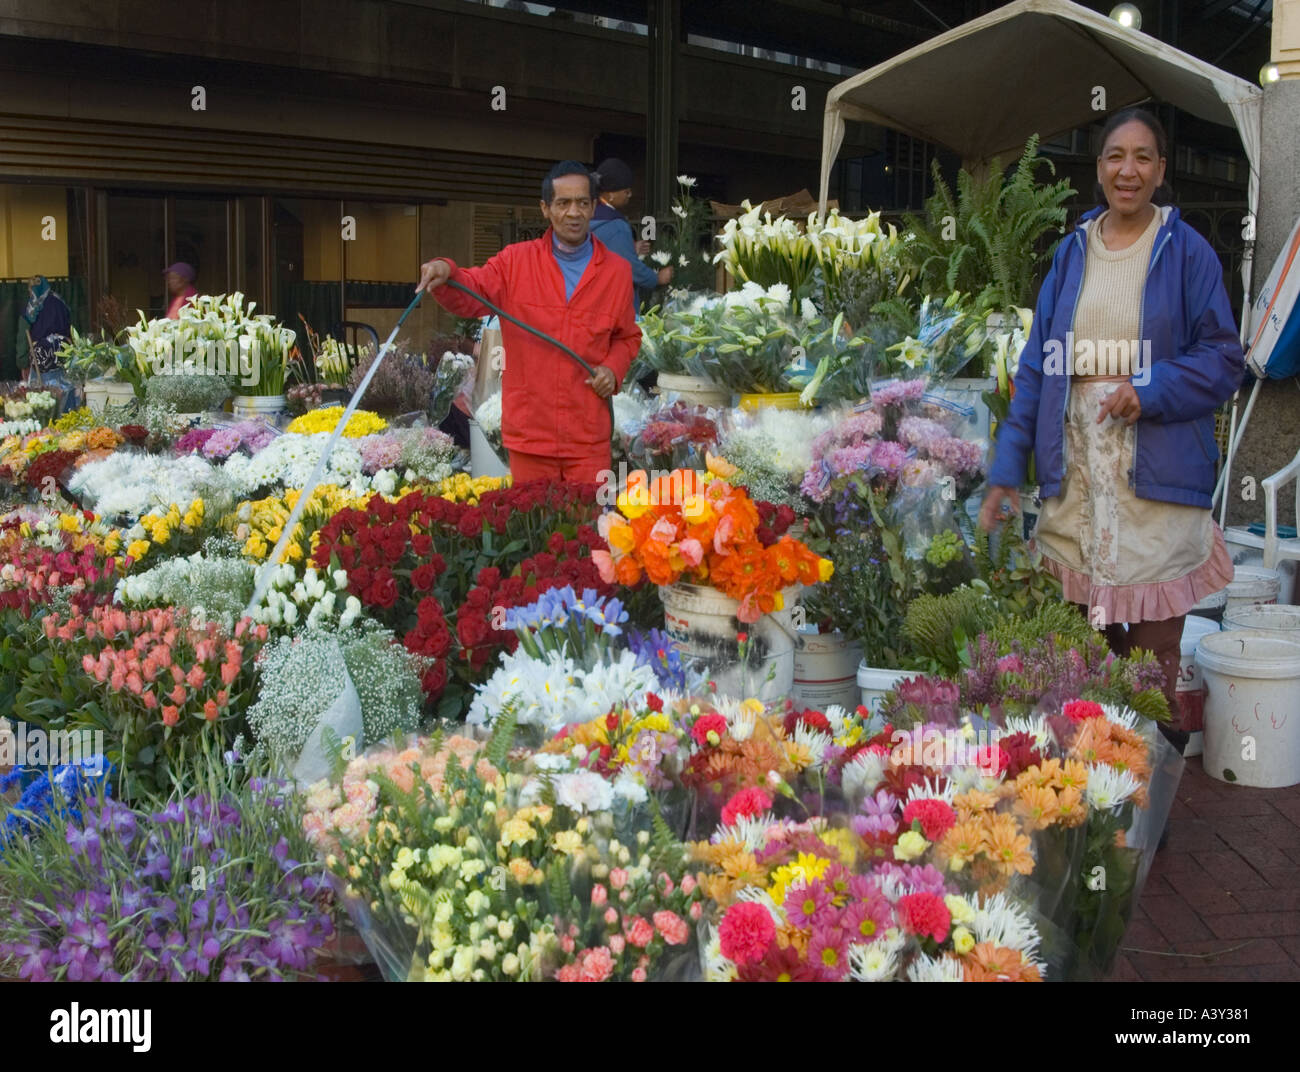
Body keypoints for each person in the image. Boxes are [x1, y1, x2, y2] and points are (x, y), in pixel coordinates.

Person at [979, 108, 1244, 750]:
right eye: (1115, 157)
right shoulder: (1071, 255)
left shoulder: (1187, 252)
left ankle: (1147, 789)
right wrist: (1008, 471)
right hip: (1078, 481)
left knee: (1151, 656)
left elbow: (1223, 358)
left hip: (1154, 477)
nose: (1128, 170)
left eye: (1143, 157)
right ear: (1099, 169)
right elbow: (1036, 372)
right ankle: (1096, 790)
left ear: (1159, 171)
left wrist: (1149, 391)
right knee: (1083, 645)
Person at [416, 160, 641, 485]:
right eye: (563, 203)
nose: (573, 212)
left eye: (582, 203)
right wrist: (445, 269)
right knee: (534, 531)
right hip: (531, 436)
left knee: (589, 530)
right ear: (545, 209)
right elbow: (470, 292)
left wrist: (612, 369)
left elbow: (627, 337)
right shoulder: (515, 261)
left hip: (588, 436)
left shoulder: (617, 271)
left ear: (593, 207)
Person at [590, 158, 671, 315]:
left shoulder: (589, 216)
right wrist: (657, 278)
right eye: (626, 191)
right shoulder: (616, 225)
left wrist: (630, 248)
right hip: (614, 307)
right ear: (611, 194)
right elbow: (629, 268)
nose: (630, 195)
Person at [22, 275, 80, 415]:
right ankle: (68, 414)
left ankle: (48, 417)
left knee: (43, 392)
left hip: (41, 355)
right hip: (63, 350)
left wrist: (23, 361)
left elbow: (24, 332)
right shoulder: (59, 301)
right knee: (65, 386)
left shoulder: (34, 304)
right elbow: (70, 324)